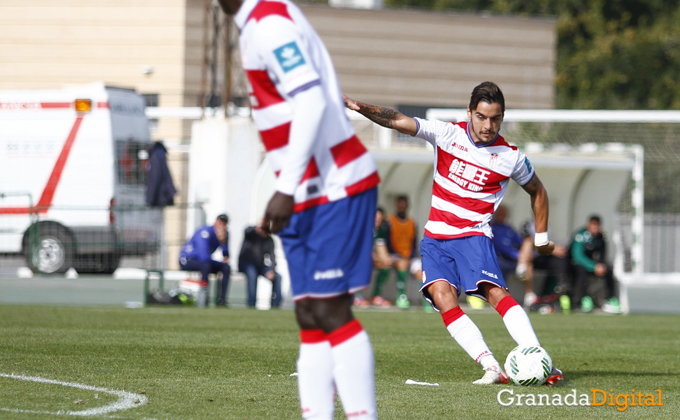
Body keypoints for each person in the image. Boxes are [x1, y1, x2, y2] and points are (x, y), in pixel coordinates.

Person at [217, 0, 380, 417]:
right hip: (311, 190)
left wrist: (284, 188)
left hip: (333, 185)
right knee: (309, 313)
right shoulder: (260, 20)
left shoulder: (268, 23)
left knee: (329, 308)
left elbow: (310, 100)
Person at [344, 81, 562, 386]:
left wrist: (541, 238)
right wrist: (359, 107)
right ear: (469, 112)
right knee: (442, 296)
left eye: (496, 118)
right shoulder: (447, 134)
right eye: (482, 117)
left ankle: (540, 361)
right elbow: (396, 119)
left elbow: (537, 191)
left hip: (473, 235)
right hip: (435, 238)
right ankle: (491, 367)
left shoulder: (511, 157)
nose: (488, 125)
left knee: (493, 292)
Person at [569, 215, 621, 313]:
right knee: (581, 271)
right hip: (576, 264)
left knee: (608, 270)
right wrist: (593, 266)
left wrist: (601, 266)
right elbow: (578, 256)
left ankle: (610, 299)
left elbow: (602, 255)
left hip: (592, 265)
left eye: (597, 226)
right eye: (593, 225)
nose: (595, 228)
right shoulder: (580, 235)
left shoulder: (602, 237)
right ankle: (584, 299)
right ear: (588, 225)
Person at [490, 205, 537, 308]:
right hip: (499, 258)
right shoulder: (491, 227)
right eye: (500, 213)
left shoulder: (509, 228)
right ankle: (500, 298)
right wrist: (519, 255)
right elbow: (501, 246)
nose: (502, 215)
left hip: (514, 259)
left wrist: (527, 253)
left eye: (504, 213)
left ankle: (529, 294)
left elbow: (520, 242)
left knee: (528, 263)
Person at [179, 214, 231, 305]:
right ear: (216, 221)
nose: (222, 225)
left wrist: (223, 243)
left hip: (204, 261)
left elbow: (226, 256)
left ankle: (222, 300)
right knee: (206, 265)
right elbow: (203, 255)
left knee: (226, 268)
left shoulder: (224, 234)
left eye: (224, 223)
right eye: (220, 222)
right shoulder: (205, 231)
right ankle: (203, 298)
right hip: (188, 259)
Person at [355, 207, 392, 308]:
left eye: (380, 220)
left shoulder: (380, 230)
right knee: (362, 262)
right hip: (353, 257)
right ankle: (356, 296)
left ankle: (376, 295)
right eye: (375, 219)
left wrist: (386, 259)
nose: (377, 222)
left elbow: (381, 247)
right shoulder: (362, 227)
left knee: (385, 264)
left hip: (367, 257)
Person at [238, 225, 282, 309]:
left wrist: (272, 270)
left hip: (259, 265)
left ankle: (276, 305)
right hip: (246, 263)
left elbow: (272, 257)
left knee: (278, 277)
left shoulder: (269, 240)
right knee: (252, 274)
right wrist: (256, 227)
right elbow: (246, 230)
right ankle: (251, 304)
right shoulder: (251, 235)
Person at [386, 195, 418, 309]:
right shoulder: (390, 221)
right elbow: (387, 241)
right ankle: (402, 296)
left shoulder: (412, 223)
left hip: (408, 256)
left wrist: (411, 255)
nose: (402, 207)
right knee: (402, 263)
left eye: (404, 205)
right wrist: (399, 255)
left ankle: (427, 302)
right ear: (396, 206)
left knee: (420, 270)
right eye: (400, 205)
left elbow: (414, 243)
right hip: (395, 255)